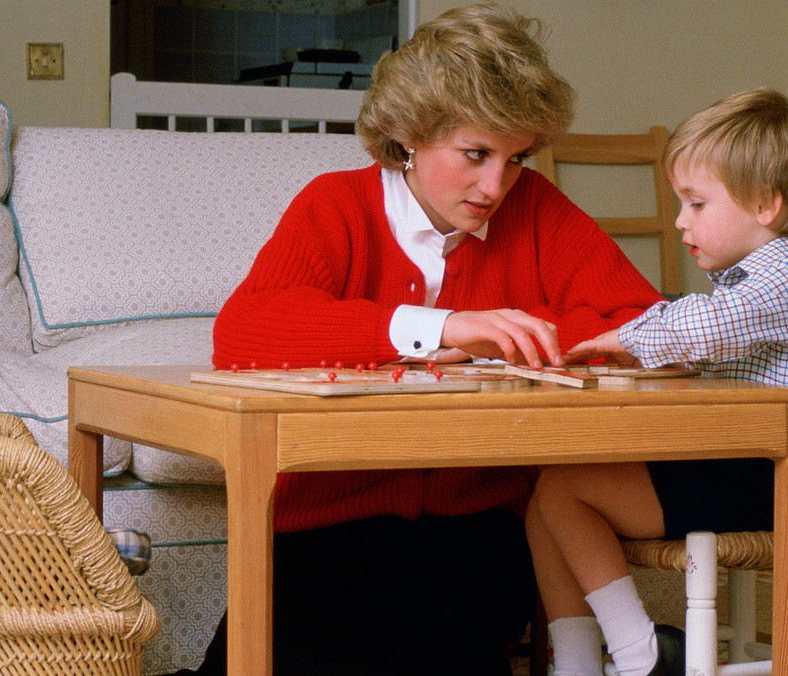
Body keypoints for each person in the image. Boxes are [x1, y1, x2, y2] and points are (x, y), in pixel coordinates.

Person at [186, 3, 663, 675]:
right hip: (324, 526)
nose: (496, 184)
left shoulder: (535, 209)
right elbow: (244, 330)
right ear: (410, 133)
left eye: (516, 157)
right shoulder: (337, 205)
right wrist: (440, 326)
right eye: (475, 154)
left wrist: (516, 337)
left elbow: (643, 319)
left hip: (474, 530)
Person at [524, 87, 788, 676]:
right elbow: (712, 338)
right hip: (735, 465)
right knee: (542, 500)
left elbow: (705, 323)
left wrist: (628, 338)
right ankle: (575, 662)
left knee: (563, 490)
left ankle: (637, 653)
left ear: (765, 205)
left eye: (696, 204)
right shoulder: (751, 281)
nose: (680, 221)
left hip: (768, 479)